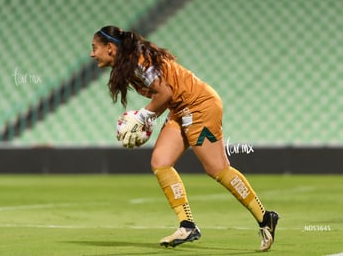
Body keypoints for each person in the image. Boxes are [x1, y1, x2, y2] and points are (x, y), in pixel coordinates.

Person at [90, 25, 279, 251]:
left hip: (199, 105)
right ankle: (187, 225)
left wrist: (143, 116)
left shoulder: (137, 62)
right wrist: (148, 118)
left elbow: (165, 93)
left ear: (110, 48)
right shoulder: (130, 64)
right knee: (160, 162)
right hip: (180, 109)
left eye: (95, 48)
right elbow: (166, 94)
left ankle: (265, 217)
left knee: (217, 169)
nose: (92, 54)